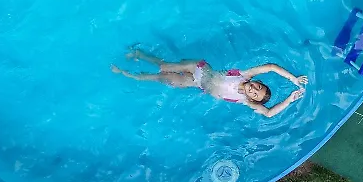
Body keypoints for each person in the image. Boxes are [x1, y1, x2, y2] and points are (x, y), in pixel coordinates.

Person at [111, 48, 307, 118]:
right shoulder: (244, 75)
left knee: (163, 79)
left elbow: (270, 113)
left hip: (198, 85)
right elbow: (271, 66)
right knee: (164, 67)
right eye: (258, 86)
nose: (254, 90)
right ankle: (139, 54)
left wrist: (290, 99)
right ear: (256, 81)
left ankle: (127, 74)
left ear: (251, 99)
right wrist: (294, 79)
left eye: (255, 94)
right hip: (199, 68)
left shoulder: (244, 101)